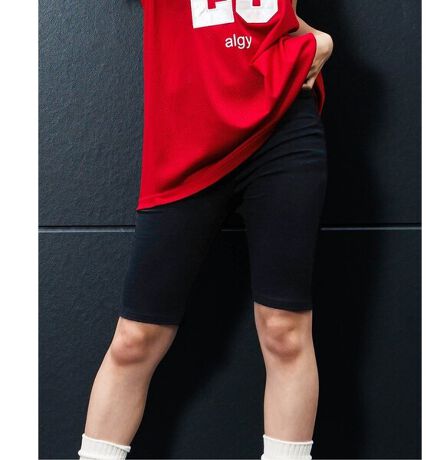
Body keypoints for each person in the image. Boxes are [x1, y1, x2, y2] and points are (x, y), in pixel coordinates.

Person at [77, 1, 333, 459]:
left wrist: (320, 40)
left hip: (282, 127)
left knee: (285, 330)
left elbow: (271, 14)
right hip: (185, 138)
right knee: (135, 340)